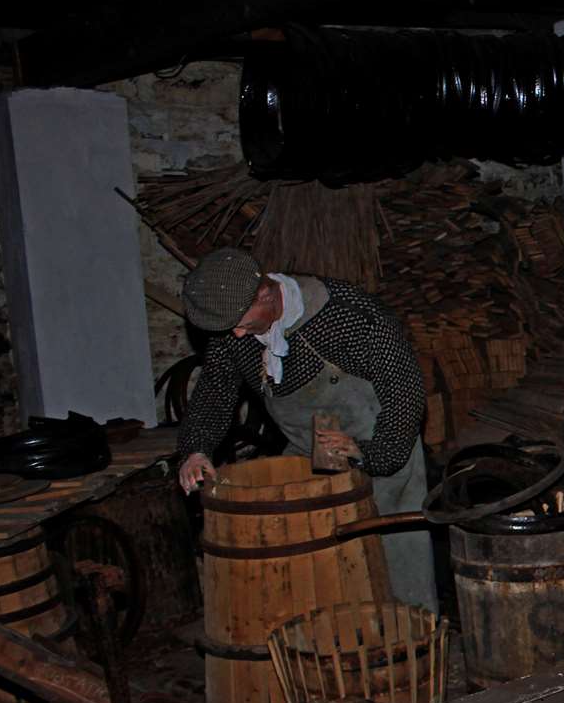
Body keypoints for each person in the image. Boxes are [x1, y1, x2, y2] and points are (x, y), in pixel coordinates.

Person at [176, 247, 437, 612]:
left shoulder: (349, 316)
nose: (235, 333)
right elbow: (217, 386)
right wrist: (196, 448)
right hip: (308, 449)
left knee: (394, 556)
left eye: (240, 322)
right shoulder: (234, 329)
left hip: (383, 442)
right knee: (310, 555)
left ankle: (410, 642)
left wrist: (371, 453)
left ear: (266, 293)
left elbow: (404, 392)